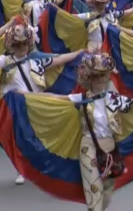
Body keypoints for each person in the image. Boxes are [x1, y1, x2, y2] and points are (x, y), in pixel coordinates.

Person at [25, 51, 133, 211]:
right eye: (99, 76)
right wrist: (27, 96)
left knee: (107, 193)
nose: (103, 79)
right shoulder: (81, 99)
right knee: (94, 192)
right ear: (90, 78)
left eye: (105, 75)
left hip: (109, 148)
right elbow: (57, 99)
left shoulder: (113, 99)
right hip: (88, 147)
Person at [0, 20, 82, 185]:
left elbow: (59, 59)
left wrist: (79, 53)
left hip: (40, 105)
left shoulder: (37, 60)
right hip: (19, 108)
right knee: (23, 139)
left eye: (24, 44)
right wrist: (8, 24)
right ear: (11, 45)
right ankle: (23, 170)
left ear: (29, 43)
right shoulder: (4, 62)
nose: (21, 48)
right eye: (17, 44)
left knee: (46, 136)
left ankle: (49, 167)